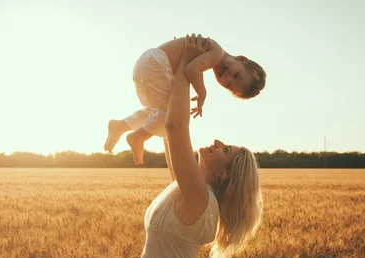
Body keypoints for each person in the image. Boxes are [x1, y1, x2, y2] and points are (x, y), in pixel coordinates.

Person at [136, 35, 263, 258]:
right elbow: (168, 133)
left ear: (223, 173)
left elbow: (177, 127)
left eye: (226, 150)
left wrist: (182, 66)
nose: (218, 142)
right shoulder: (190, 186)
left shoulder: (199, 197)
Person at [104, 34, 266, 165]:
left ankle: (122, 125)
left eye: (229, 85)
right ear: (241, 59)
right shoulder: (217, 53)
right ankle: (139, 136)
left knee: (158, 112)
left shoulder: (213, 53)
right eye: (236, 74)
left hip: (146, 64)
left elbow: (189, 64)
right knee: (172, 115)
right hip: (156, 64)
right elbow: (191, 69)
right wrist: (202, 93)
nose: (227, 78)